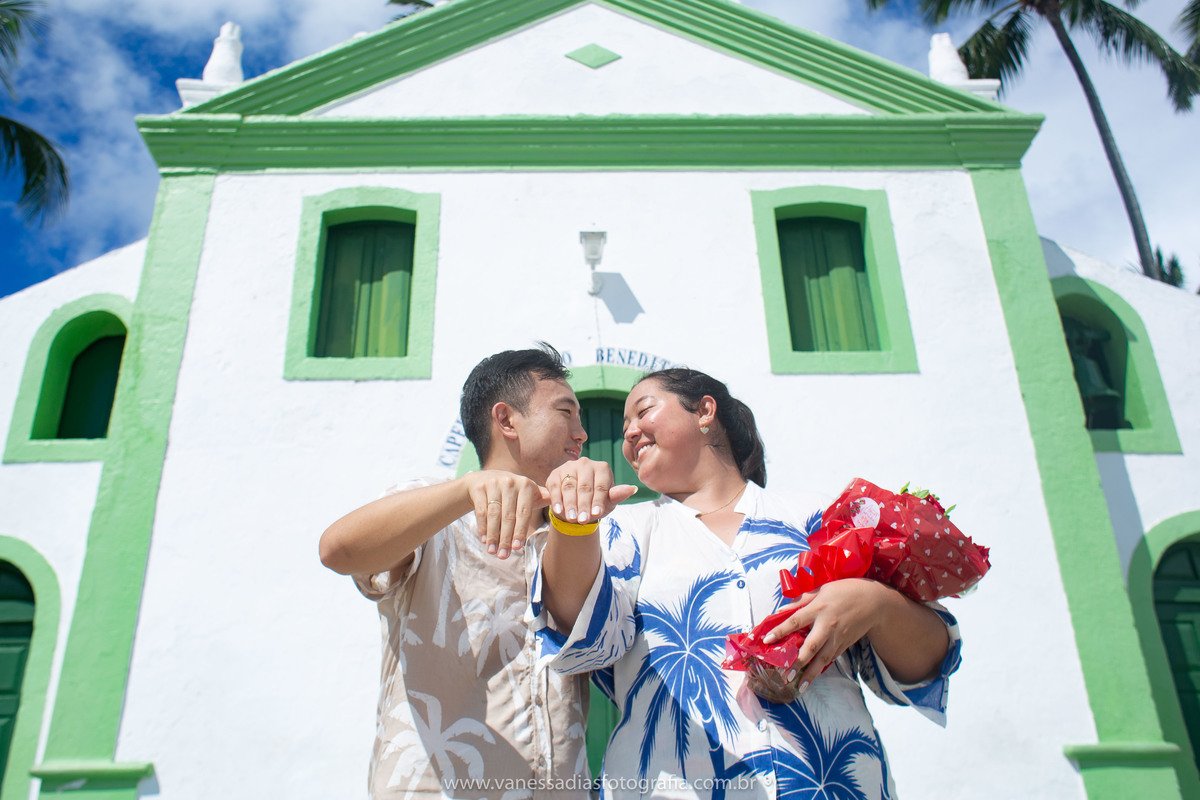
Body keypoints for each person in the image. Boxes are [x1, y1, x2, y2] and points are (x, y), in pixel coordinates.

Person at [529, 368, 961, 799]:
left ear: (705, 411)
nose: (630, 434)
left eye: (643, 412)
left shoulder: (818, 519)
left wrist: (877, 604)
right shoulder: (620, 531)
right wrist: (572, 525)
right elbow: (580, 632)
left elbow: (927, 665)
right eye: (624, 430)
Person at [319, 346, 634, 799]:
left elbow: (576, 625)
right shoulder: (433, 514)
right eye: (566, 412)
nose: (582, 434)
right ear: (506, 420)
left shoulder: (574, 537)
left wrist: (575, 523)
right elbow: (338, 550)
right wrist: (467, 489)